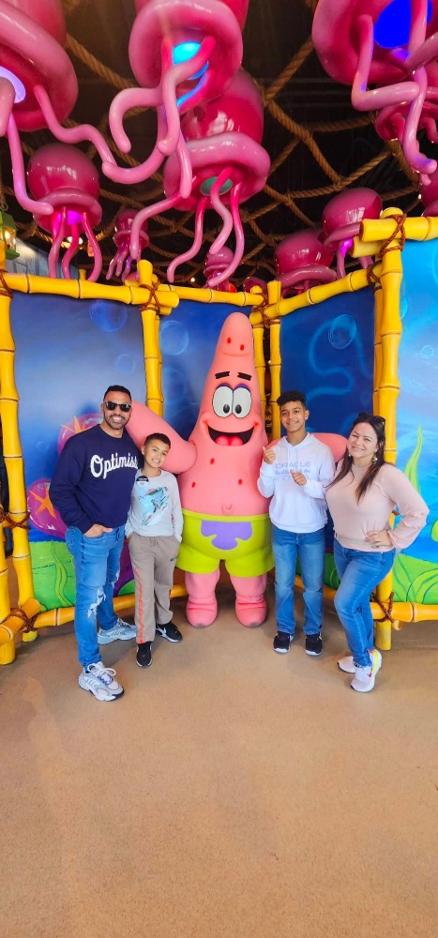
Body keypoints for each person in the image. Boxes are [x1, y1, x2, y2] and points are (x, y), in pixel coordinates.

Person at [50, 385, 141, 702]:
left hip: (116, 532)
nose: (118, 412)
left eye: (124, 407)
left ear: (131, 410)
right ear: (104, 407)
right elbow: (59, 490)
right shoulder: (82, 444)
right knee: (88, 599)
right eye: (112, 405)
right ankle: (89, 666)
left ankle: (108, 624)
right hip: (90, 536)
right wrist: (86, 526)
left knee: (107, 584)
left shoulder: (131, 446)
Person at [326, 412, 428, 693]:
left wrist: (393, 537)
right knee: (357, 605)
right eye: (355, 435)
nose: (358, 441)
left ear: (377, 446)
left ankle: (364, 663)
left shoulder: (387, 474)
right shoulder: (342, 467)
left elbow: (418, 512)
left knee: (345, 604)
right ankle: (369, 652)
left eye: (366, 438)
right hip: (342, 547)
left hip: (372, 555)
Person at [257, 390, 335, 656]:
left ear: (306, 414)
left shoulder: (321, 451)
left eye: (296, 411)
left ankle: (314, 632)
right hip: (282, 528)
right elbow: (264, 490)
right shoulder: (274, 449)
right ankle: (285, 629)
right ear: (281, 416)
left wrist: (308, 484)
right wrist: (267, 465)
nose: (291, 417)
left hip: (312, 529)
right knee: (283, 584)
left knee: (313, 586)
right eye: (286, 412)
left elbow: (329, 491)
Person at [126, 433, 183, 669]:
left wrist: (176, 537)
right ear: (143, 449)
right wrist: (131, 535)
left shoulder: (169, 479)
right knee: (144, 591)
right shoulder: (132, 477)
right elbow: (124, 507)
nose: (158, 456)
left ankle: (164, 622)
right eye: (155, 450)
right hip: (141, 542)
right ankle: (144, 639)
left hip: (166, 540)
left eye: (164, 453)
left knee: (163, 586)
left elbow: (177, 509)